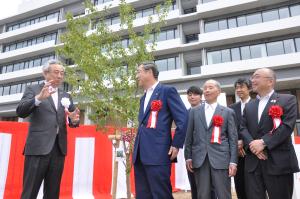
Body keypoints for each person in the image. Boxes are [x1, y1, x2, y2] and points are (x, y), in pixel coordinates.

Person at [16, 60, 80, 199]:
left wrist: (74, 120)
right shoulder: (33, 89)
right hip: (38, 148)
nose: (59, 76)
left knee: (53, 192)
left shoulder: (66, 95)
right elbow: (20, 111)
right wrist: (38, 98)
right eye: (56, 72)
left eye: (62, 73)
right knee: (30, 191)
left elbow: (71, 117)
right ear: (45, 73)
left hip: (58, 149)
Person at [240, 68, 299, 199]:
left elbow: (287, 126)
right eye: (252, 77)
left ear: (270, 81)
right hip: (253, 164)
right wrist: (253, 145)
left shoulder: (287, 99)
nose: (252, 80)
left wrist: (264, 142)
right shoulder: (249, 105)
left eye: (256, 77)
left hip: (278, 162)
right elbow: (242, 128)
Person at [133, 62, 188, 199]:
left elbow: (183, 118)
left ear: (149, 72)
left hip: (158, 154)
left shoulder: (167, 91)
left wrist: (176, 144)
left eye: (139, 72)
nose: (136, 76)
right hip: (140, 156)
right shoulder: (143, 98)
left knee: (160, 194)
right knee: (143, 195)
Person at [184, 79, 238, 199]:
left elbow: (233, 139)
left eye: (210, 87)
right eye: (205, 88)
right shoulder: (194, 112)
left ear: (218, 91)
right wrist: (188, 157)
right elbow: (188, 137)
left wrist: (233, 161)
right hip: (199, 159)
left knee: (223, 194)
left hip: (221, 159)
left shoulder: (228, 112)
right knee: (203, 194)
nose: (207, 90)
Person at [229, 78, 252, 199]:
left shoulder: (257, 105)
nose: (239, 90)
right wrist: (236, 144)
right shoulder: (231, 108)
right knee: (240, 184)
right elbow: (230, 129)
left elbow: (258, 128)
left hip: (253, 151)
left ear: (249, 88)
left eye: (241, 87)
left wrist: (245, 142)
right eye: (237, 87)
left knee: (255, 186)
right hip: (237, 153)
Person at [186, 86, 203, 199]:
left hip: (206, 154)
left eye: (195, 94)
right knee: (194, 185)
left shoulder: (206, 111)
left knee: (208, 186)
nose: (192, 96)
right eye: (190, 94)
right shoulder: (184, 113)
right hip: (190, 154)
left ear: (201, 97)